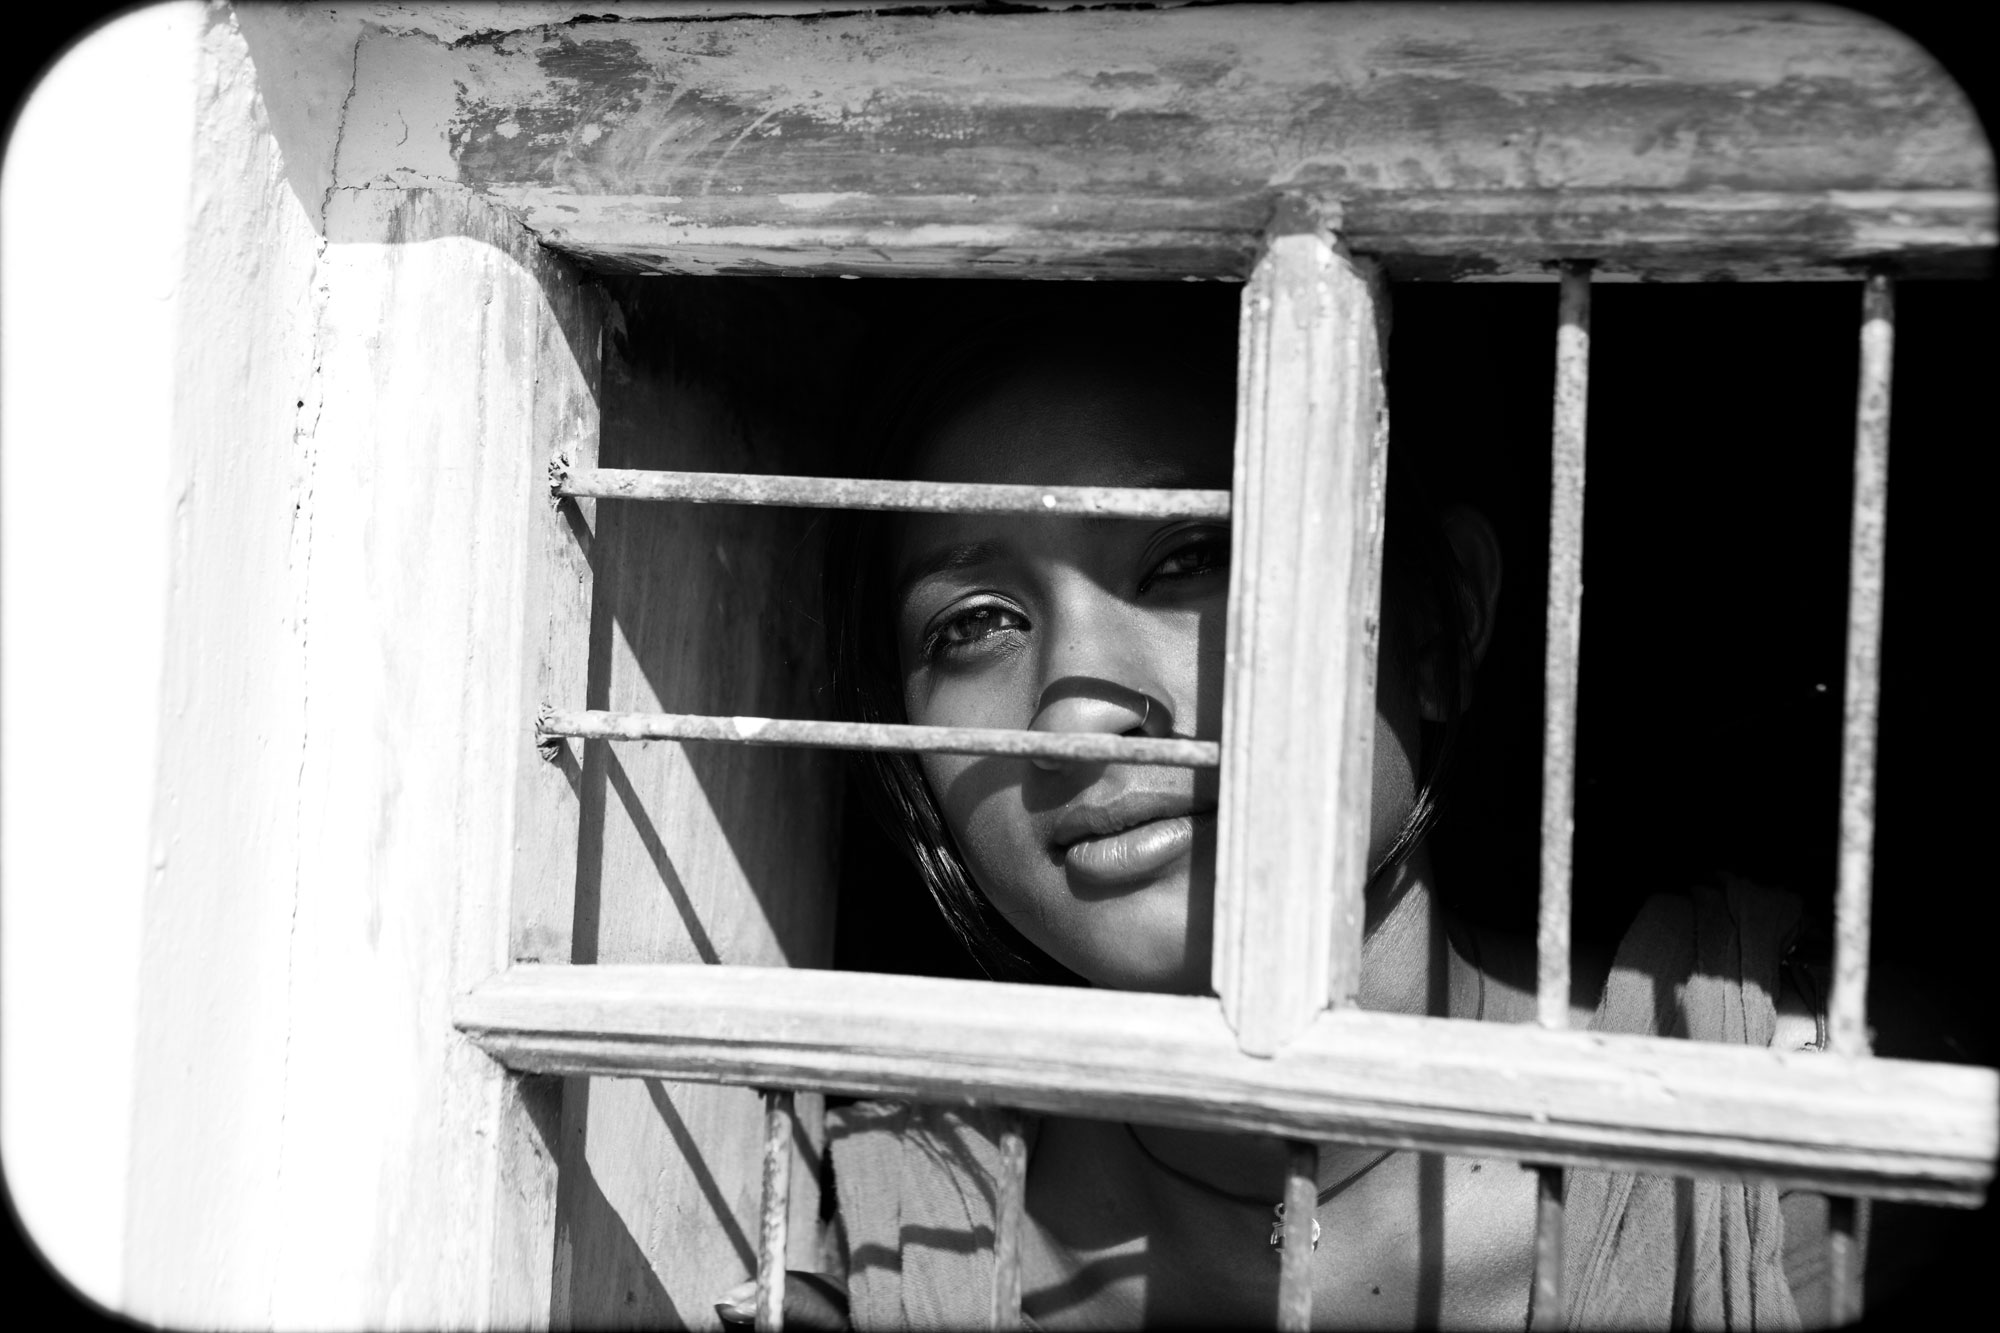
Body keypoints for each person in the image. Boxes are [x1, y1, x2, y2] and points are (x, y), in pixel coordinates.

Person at [725, 303, 1835, 1330]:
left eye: (1188, 557)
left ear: (1438, 619)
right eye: (974, 623)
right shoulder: (879, 1243)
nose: (1075, 715)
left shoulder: (1794, 1118)